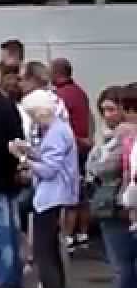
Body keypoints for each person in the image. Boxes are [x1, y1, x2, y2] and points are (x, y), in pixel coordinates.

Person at [10, 88, 80, 288]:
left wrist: (24, 159)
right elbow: (49, 158)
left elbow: (50, 169)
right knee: (48, 249)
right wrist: (30, 151)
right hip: (53, 194)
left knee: (44, 250)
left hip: (52, 196)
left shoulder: (57, 131)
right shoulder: (57, 129)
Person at [85, 85, 137, 288]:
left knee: (122, 259)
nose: (108, 115)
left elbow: (104, 167)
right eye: (103, 109)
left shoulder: (125, 134)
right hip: (121, 202)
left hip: (118, 203)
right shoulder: (114, 134)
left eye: (114, 109)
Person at [52, 58, 92, 249]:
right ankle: (83, 232)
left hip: (71, 148)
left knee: (69, 194)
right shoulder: (80, 92)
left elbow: (60, 126)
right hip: (83, 145)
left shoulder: (61, 96)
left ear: (57, 72)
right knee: (81, 192)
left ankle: (67, 235)